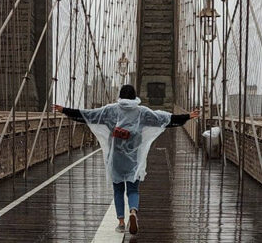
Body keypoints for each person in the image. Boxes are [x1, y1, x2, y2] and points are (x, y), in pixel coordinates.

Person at [54, 85, 199, 234]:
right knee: (133, 189)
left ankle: (121, 223)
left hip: (115, 157)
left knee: (118, 190)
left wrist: (64, 110)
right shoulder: (141, 112)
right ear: (134, 96)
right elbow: (164, 119)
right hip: (133, 157)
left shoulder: (111, 110)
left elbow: (87, 115)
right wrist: (187, 116)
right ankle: (133, 212)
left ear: (121, 96)